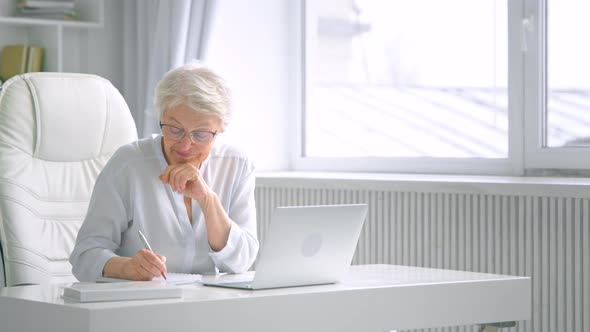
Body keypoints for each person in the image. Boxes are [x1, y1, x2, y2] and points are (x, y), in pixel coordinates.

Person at [69, 63, 259, 281]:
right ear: (161, 117)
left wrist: (207, 199)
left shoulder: (236, 165)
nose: (186, 145)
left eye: (201, 134)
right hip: (142, 302)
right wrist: (127, 267)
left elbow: (242, 262)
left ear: (220, 129)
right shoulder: (129, 164)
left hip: (207, 302)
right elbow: (84, 256)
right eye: (175, 130)